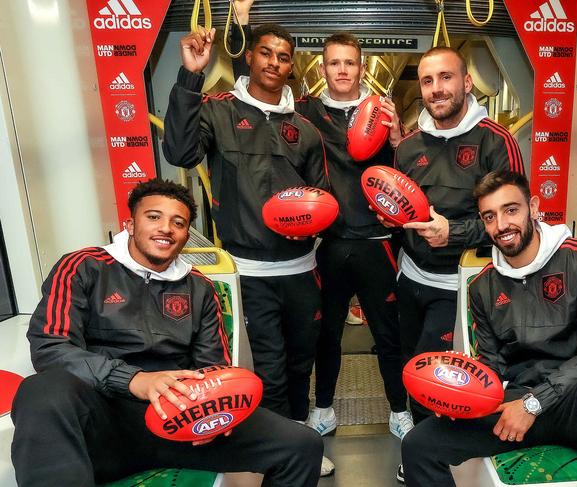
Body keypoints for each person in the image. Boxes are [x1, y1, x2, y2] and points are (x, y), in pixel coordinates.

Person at [11, 179, 323, 487]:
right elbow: (50, 347)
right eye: (154, 217)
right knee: (41, 389)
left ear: (187, 235)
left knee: (301, 444)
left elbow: (213, 368)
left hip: (183, 423)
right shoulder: (83, 266)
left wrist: (222, 409)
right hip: (103, 424)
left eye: (178, 222)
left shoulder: (200, 287)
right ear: (130, 224)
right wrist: (134, 380)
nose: (166, 229)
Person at [229, 2, 414, 452]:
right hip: (326, 245)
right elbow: (251, 93)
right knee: (325, 334)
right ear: (322, 67)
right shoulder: (304, 112)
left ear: (361, 66)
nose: (342, 70)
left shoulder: (383, 112)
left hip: (377, 243)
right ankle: (324, 409)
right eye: (334, 62)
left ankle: (399, 411)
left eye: (350, 63)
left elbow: (408, 175)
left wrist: (398, 139)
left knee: (387, 334)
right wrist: (238, 25)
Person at [401, 170, 577, 487]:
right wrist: (462, 395)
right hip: (515, 403)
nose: (501, 225)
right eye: (490, 216)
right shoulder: (483, 286)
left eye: (510, 210)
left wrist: (535, 403)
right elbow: (491, 364)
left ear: (534, 207)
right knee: (418, 445)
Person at [163, 22, 328, 437]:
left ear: (292, 65)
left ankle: (301, 433)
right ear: (250, 56)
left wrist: (311, 225)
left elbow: (321, 195)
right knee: (267, 364)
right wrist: (190, 77)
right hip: (249, 273)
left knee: (299, 359)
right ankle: (278, 444)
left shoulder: (305, 129)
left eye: (284, 56)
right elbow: (180, 152)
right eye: (266, 53)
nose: (274, 62)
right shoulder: (218, 110)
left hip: (301, 270)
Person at [392, 47, 525, 426]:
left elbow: (513, 222)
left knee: (439, 377)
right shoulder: (408, 147)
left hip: (464, 286)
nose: (437, 89)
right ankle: (421, 448)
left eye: (446, 77)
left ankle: (432, 454)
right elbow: (403, 211)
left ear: (467, 83)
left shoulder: (495, 141)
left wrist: (453, 233)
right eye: (428, 81)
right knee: (411, 366)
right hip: (411, 280)